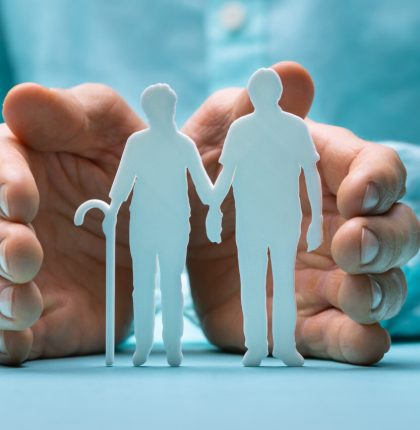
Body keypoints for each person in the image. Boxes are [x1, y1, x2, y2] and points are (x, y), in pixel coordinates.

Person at [0, 0, 418, 365]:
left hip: (279, 232)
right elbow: (164, 182)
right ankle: (156, 342)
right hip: (143, 234)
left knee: (255, 281)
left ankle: (197, 344)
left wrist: (357, 228)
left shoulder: (280, 134)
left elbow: (212, 180)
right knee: (173, 280)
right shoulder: (158, 145)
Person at [207, 68, 323, 366]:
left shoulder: (294, 128)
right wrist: (213, 207)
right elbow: (226, 174)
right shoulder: (242, 130)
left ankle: (282, 345)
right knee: (258, 283)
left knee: (280, 282)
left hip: (281, 218)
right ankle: (257, 345)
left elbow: (311, 173)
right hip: (254, 219)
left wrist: (318, 220)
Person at [102, 83, 213, 366]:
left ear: (172, 109)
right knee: (143, 285)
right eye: (154, 109)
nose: (159, 113)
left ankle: (173, 345)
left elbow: (203, 187)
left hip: (175, 224)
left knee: (170, 283)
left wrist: (222, 193)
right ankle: (144, 345)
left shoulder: (184, 145)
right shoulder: (137, 143)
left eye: (164, 108)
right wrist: (112, 210)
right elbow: (124, 179)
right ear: (148, 111)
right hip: (143, 222)